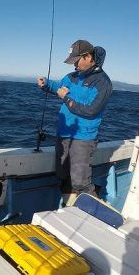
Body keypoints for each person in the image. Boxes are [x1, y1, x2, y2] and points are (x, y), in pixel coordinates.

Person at [37, 40, 112, 207]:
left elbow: (91, 110)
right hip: (63, 134)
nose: (74, 65)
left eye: (76, 60)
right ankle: (71, 209)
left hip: (83, 138)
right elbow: (60, 86)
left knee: (81, 182)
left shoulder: (102, 82)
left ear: (87, 57)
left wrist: (66, 97)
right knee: (62, 175)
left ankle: (93, 215)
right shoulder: (72, 76)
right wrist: (46, 84)